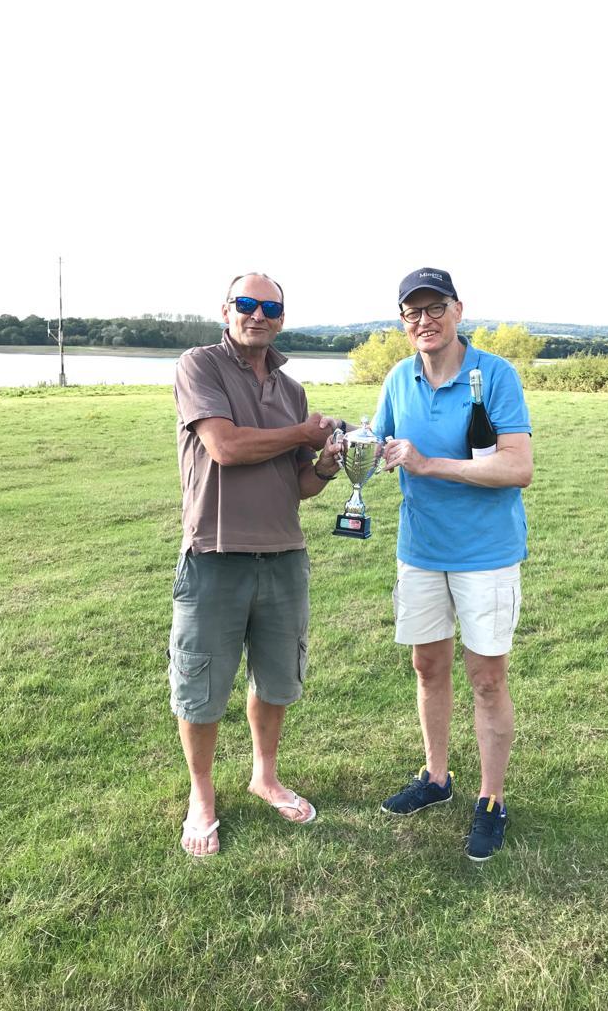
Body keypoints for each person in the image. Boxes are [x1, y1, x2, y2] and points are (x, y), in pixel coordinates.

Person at [169, 272, 344, 856]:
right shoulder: (201, 365)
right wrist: (301, 431)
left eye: (270, 307)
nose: (258, 314)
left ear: (282, 317)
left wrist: (323, 464)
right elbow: (225, 446)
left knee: (276, 680)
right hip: (215, 556)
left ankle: (264, 776)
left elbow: (296, 484)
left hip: (284, 556)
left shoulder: (292, 389)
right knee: (202, 686)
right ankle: (202, 796)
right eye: (247, 304)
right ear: (226, 310)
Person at [372, 267, 533, 862]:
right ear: (403, 321)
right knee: (427, 667)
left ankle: (491, 800)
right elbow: (383, 445)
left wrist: (429, 464)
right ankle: (437, 779)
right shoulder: (398, 377)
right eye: (412, 312)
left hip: (485, 555)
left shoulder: (494, 375)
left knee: (487, 678)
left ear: (458, 310)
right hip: (420, 551)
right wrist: (348, 447)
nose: (424, 320)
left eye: (434, 307)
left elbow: (517, 468)